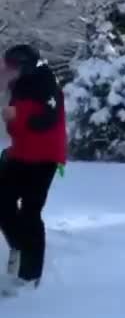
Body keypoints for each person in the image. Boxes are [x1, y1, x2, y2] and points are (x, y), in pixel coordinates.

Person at [0, 44, 67, 293]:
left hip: (44, 158)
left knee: (30, 211)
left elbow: (45, 121)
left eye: (12, 67)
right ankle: (20, 243)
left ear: (25, 66)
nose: (8, 72)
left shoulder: (46, 84)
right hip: (21, 154)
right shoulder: (20, 86)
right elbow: (17, 127)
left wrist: (18, 114)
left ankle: (30, 274)